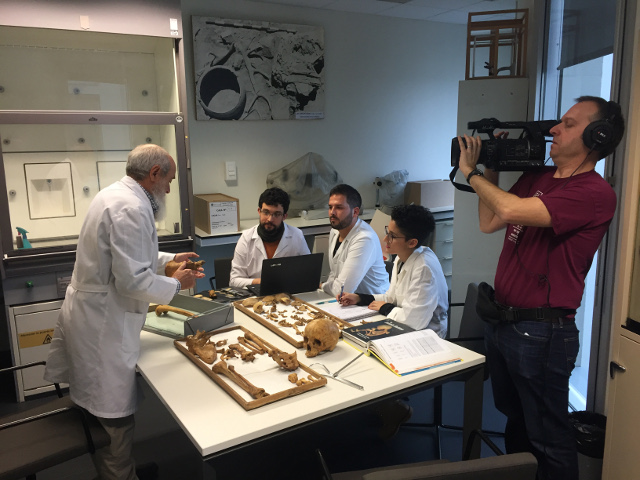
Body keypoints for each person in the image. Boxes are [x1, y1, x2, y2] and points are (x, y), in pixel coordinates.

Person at [457, 96, 625, 480]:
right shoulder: (539, 178)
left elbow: (513, 211)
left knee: (549, 437)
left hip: (542, 332)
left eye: (567, 124)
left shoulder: (594, 194)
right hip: (503, 323)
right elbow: (491, 221)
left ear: (598, 135)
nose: (554, 130)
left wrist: (471, 172)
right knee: (515, 421)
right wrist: (492, 169)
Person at [44, 144, 205, 480]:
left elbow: (135, 253)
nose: (170, 189)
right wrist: (177, 283)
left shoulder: (118, 196)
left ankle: (118, 470)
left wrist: (169, 261)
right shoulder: (131, 207)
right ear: (155, 174)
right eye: (170, 180)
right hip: (103, 326)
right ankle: (119, 473)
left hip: (94, 316)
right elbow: (132, 280)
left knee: (100, 414)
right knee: (114, 424)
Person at [340, 204, 448, 338]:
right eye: (387, 232)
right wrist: (361, 298)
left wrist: (385, 308)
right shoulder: (402, 257)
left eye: (392, 236)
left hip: (426, 336)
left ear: (412, 242)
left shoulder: (423, 268)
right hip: (404, 327)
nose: (385, 239)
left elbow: (414, 321)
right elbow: (392, 298)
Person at [229, 187, 310, 288]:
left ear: (284, 216)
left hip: (286, 294)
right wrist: (260, 282)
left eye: (276, 214)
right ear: (259, 211)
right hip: (254, 296)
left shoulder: (296, 236)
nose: (270, 219)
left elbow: (308, 275)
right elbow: (234, 281)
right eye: (266, 212)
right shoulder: (246, 238)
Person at [321, 184, 389, 297]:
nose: (332, 212)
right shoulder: (335, 231)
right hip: (348, 302)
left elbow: (342, 290)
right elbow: (334, 274)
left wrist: (322, 286)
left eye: (339, 207)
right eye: (330, 207)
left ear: (355, 212)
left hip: (372, 304)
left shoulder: (364, 239)